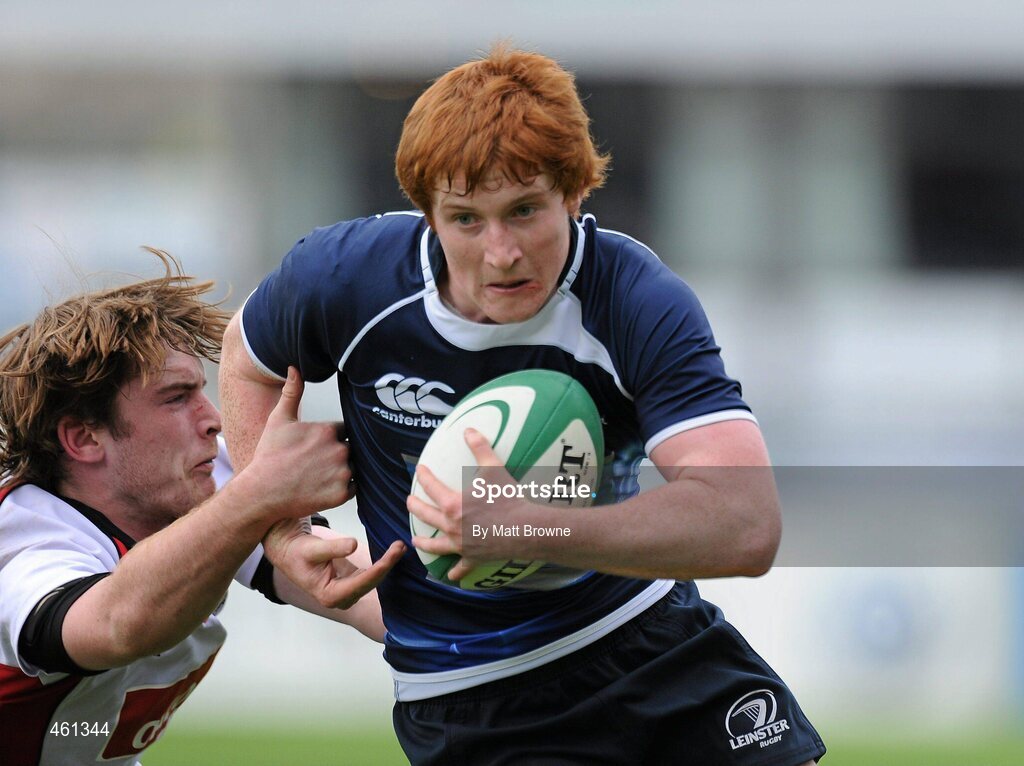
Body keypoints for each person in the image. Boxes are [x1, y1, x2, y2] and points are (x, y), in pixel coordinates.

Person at [219, 46, 826, 765]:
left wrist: (531, 528)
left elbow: (746, 522)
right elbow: (243, 359)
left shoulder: (632, 298)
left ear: (574, 193)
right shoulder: (341, 280)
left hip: (651, 645)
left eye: (524, 210)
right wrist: (279, 527)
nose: (501, 252)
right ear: (428, 215)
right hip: (471, 697)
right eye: (467, 220)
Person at [0, 250, 405, 766]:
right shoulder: (25, 544)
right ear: (84, 438)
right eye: (176, 398)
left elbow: (375, 595)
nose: (213, 418)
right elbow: (116, 624)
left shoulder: (200, 480)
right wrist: (259, 496)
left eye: (202, 390)